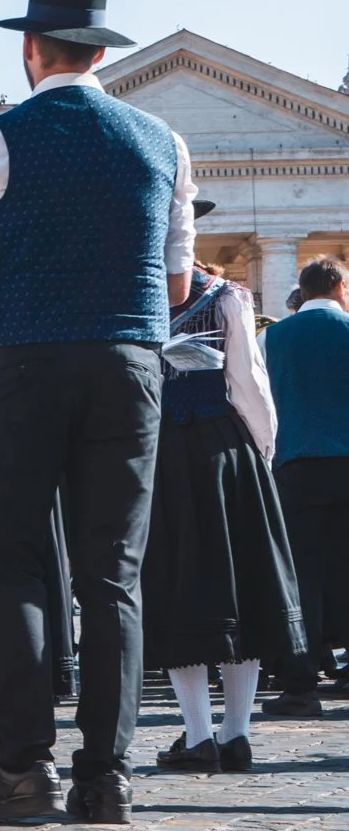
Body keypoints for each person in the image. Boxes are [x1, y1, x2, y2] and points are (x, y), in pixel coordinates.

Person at [0, 0, 196, 826]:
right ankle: (106, 774)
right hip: (130, 363)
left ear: (28, 51)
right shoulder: (162, 140)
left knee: (11, 559)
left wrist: (16, 320)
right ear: (101, 52)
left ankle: (22, 766)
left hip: (25, 360)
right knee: (113, 572)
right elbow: (178, 281)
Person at [141, 234, 303, 770]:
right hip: (226, 447)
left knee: (179, 587)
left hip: (163, 450)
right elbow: (248, 382)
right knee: (242, 587)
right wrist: (262, 449)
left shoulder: (134, 295)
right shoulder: (228, 295)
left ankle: (202, 736)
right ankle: (231, 735)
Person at [259, 257, 349, 718]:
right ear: (337, 286)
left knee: (302, 577)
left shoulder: (271, 336)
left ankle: (301, 684)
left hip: (297, 465)